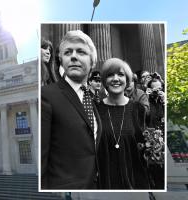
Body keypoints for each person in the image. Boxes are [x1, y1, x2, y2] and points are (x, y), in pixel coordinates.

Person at [41, 30, 102, 189]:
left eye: (81, 51)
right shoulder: (46, 95)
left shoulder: (91, 98)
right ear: (61, 60)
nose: (73, 56)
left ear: (92, 61)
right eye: (68, 52)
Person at [96, 58, 149, 189]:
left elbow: (144, 146)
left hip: (135, 181)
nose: (115, 79)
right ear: (104, 81)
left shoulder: (138, 109)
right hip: (104, 182)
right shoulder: (95, 109)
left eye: (120, 74)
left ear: (127, 80)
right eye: (110, 75)